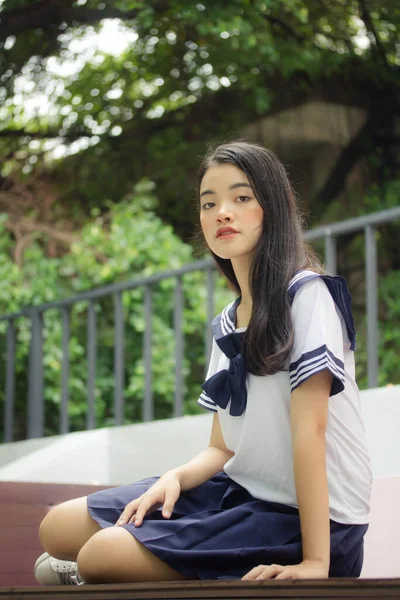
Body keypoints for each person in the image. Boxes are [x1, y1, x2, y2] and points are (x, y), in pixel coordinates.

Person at [34, 140, 372, 585]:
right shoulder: (229, 321)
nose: (222, 213)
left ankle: (99, 571)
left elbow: (311, 432)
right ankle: (114, 566)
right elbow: (222, 448)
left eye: (241, 197)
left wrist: (316, 563)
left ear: (272, 207)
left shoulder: (308, 295)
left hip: (313, 523)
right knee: (57, 526)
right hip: (240, 494)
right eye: (208, 203)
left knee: (100, 555)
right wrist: (173, 477)